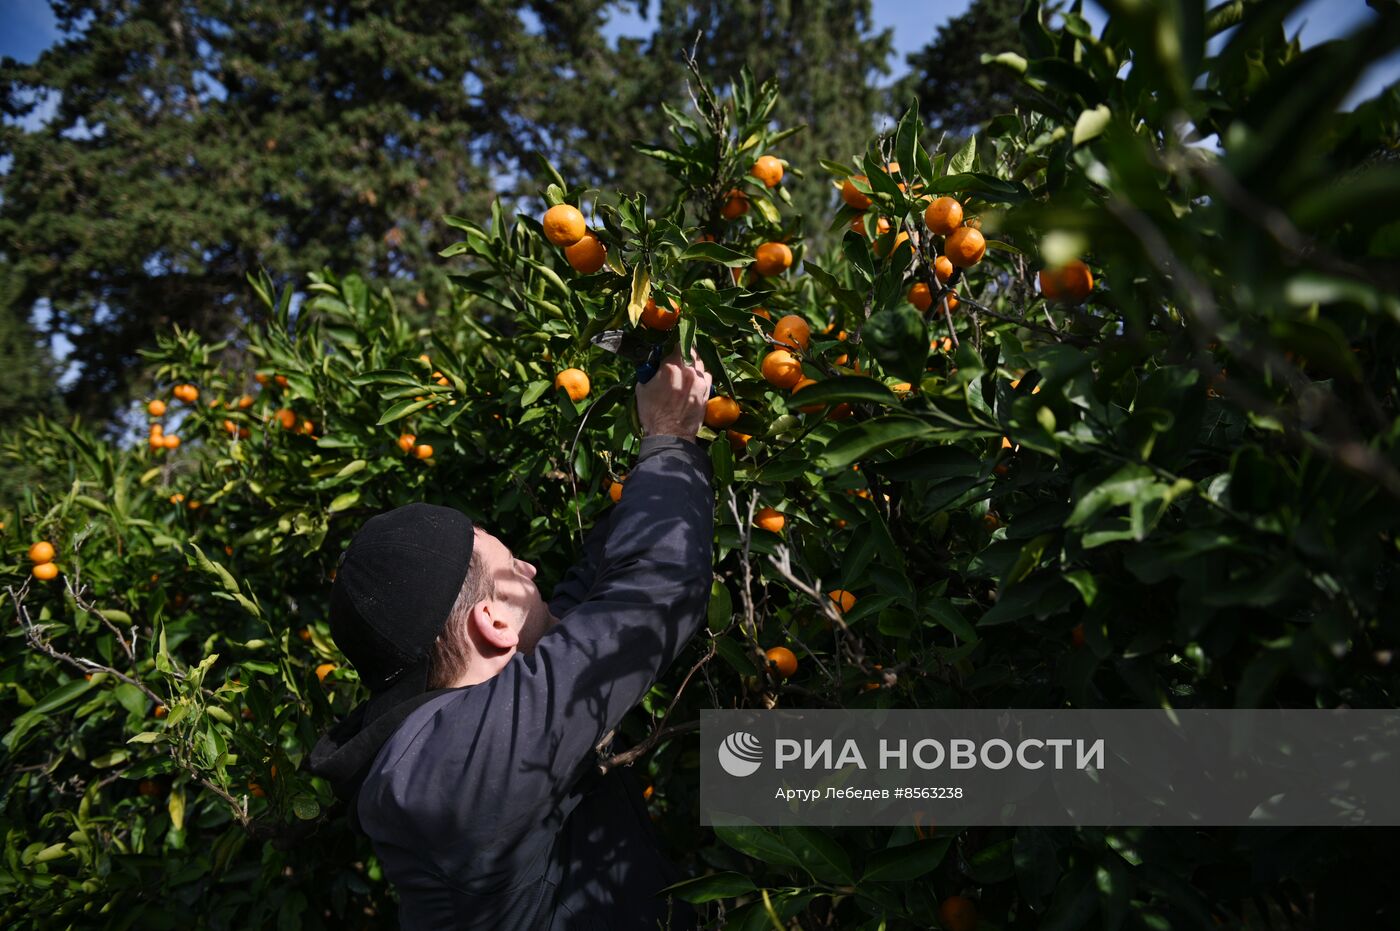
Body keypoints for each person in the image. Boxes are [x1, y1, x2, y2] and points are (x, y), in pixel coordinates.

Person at [309, 345, 715, 930]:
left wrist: (653, 456)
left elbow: (588, 606)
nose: (530, 569)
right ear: (492, 623)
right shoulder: (448, 769)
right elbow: (647, 600)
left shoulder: (460, 731)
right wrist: (671, 436)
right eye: (511, 566)